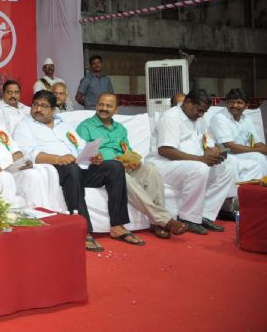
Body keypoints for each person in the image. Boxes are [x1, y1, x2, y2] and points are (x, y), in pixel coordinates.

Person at [12, 90, 138, 251]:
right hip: (54, 168)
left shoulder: (63, 123)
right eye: (35, 105)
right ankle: (82, 229)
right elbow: (28, 154)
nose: (38, 109)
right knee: (72, 168)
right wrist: (58, 159)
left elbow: (80, 145)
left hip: (79, 166)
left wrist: (93, 156)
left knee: (115, 167)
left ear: (53, 110)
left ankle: (117, 225)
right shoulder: (25, 125)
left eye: (44, 106)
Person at [76, 94, 187, 239]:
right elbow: (80, 153)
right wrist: (96, 157)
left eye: (109, 106)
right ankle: (164, 220)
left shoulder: (120, 129)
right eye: (101, 105)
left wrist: (132, 160)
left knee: (151, 170)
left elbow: (126, 149)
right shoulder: (85, 127)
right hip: (100, 169)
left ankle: (156, 223)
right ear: (96, 106)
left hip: (122, 165)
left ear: (116, 110)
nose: (104, 108)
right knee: (121, 175)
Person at [146, 90, 233, 235]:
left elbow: (207, 142)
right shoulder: (171, 117)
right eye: (199, 110)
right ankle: (188, 218)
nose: (201, 114)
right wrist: (201, 159)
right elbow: (165, 150)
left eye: (204, 112)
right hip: (163, 164)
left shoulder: (199, 118)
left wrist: (214, 152)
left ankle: (205, 215)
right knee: (199, 168)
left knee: (227, 168)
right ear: (187, 102)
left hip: (190, 162)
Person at [209, 88, 267, 181]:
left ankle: (257, 186)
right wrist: (258, 150)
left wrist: (263, 149)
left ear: (246, 105)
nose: (235, 105)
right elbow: (230, 146)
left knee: (261, 156)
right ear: (227, 103)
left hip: (244, 154)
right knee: (258, 156)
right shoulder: (220, 118)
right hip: (227, 156)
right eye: (232, 102)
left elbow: (254, 142)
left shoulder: (246, 119)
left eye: (239, 102)